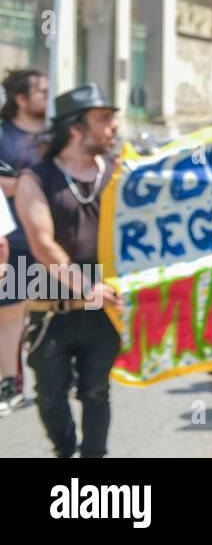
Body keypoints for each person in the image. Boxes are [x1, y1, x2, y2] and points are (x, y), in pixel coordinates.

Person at [17, 83, 124, 457]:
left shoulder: (118, 174)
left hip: (103, 311)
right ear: (76, 128)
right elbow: (43, 244)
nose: (113, 126)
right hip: (52, 312)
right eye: (104, 119)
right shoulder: (36, 179)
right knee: (51, 395)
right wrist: (85, 288)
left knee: (97, 391)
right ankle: (64, 450)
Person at [0, 68, 47, 415]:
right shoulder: (3, 136)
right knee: (10, 313)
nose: (47, 97)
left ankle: (63, 374)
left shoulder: (57, 135)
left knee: (64, 309)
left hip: (58, 243)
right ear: (21, 99)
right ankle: (10, 384)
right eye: (41, 92)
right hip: (14, 241)